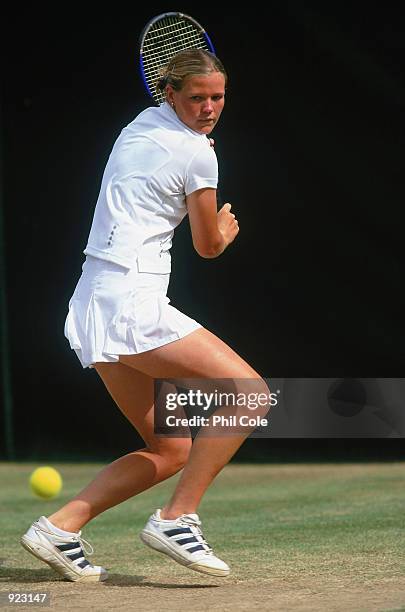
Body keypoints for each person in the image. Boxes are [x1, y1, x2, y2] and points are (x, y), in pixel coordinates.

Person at [21, 49, 269, 582]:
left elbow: (171, 160)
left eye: (217, 97)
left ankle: (60, 528)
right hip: (131, 303)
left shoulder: (137, 127)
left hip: (92, 301)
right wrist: (224, 232)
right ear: (170, 94)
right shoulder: (200, 154)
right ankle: (177, 519)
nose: (209, 108)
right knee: (249, 394)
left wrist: (194, 149)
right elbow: (206, 245)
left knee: (170, 446)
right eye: (197, 97)